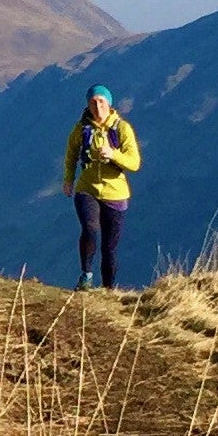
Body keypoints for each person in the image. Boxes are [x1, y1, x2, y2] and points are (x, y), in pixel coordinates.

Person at [62, 84, 140, 291]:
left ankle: (108, 290)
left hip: (116, 193)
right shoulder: (81, 128)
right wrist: (68, 180)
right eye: (93, 102)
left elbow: (134, 163)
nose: (97, 106)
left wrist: (113, 154)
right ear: (88, 104)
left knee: (109, 247)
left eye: (101, 101)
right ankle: (86, 275)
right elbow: (71, 154)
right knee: (90, 228)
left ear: (109, 103)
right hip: (87, 189)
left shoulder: (122, 129)